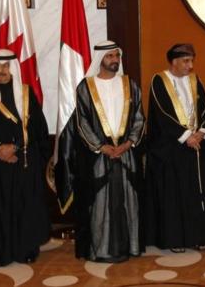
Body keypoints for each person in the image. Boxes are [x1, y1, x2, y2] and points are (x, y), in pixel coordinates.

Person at [56, 41, 145, 262]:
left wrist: (128, 144)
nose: (115, 60)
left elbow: (139, 118)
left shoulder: (130, 85)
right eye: (110, 56)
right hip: (97, 156)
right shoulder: (85, 87)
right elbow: (82, 122)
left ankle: (129, 247)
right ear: (100, 59)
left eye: (117, 55)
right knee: (99, 204)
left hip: (125, 153)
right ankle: (101, 249)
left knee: (128, 200)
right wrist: (101, 147)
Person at [0, 49, 50, 268]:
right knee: (0, 208)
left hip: (23, 160)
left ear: (12, 67)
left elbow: (37, 127)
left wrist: (15, 147)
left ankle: (25, 249)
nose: (0, 71)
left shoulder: (26, 93)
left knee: (25, 206)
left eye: (5, 66)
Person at [145, 43, 205, 251]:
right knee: (175, 196)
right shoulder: (159, 80)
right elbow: (162, 113)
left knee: (197, 193)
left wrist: (201, 132)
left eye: (191, 61)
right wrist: (185, 136)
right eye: (186, 61)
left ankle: (199, 236)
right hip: (171, 148)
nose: (190, 66)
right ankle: (175, 239)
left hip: (196, 146)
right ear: (174, 61)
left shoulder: (195, 80)